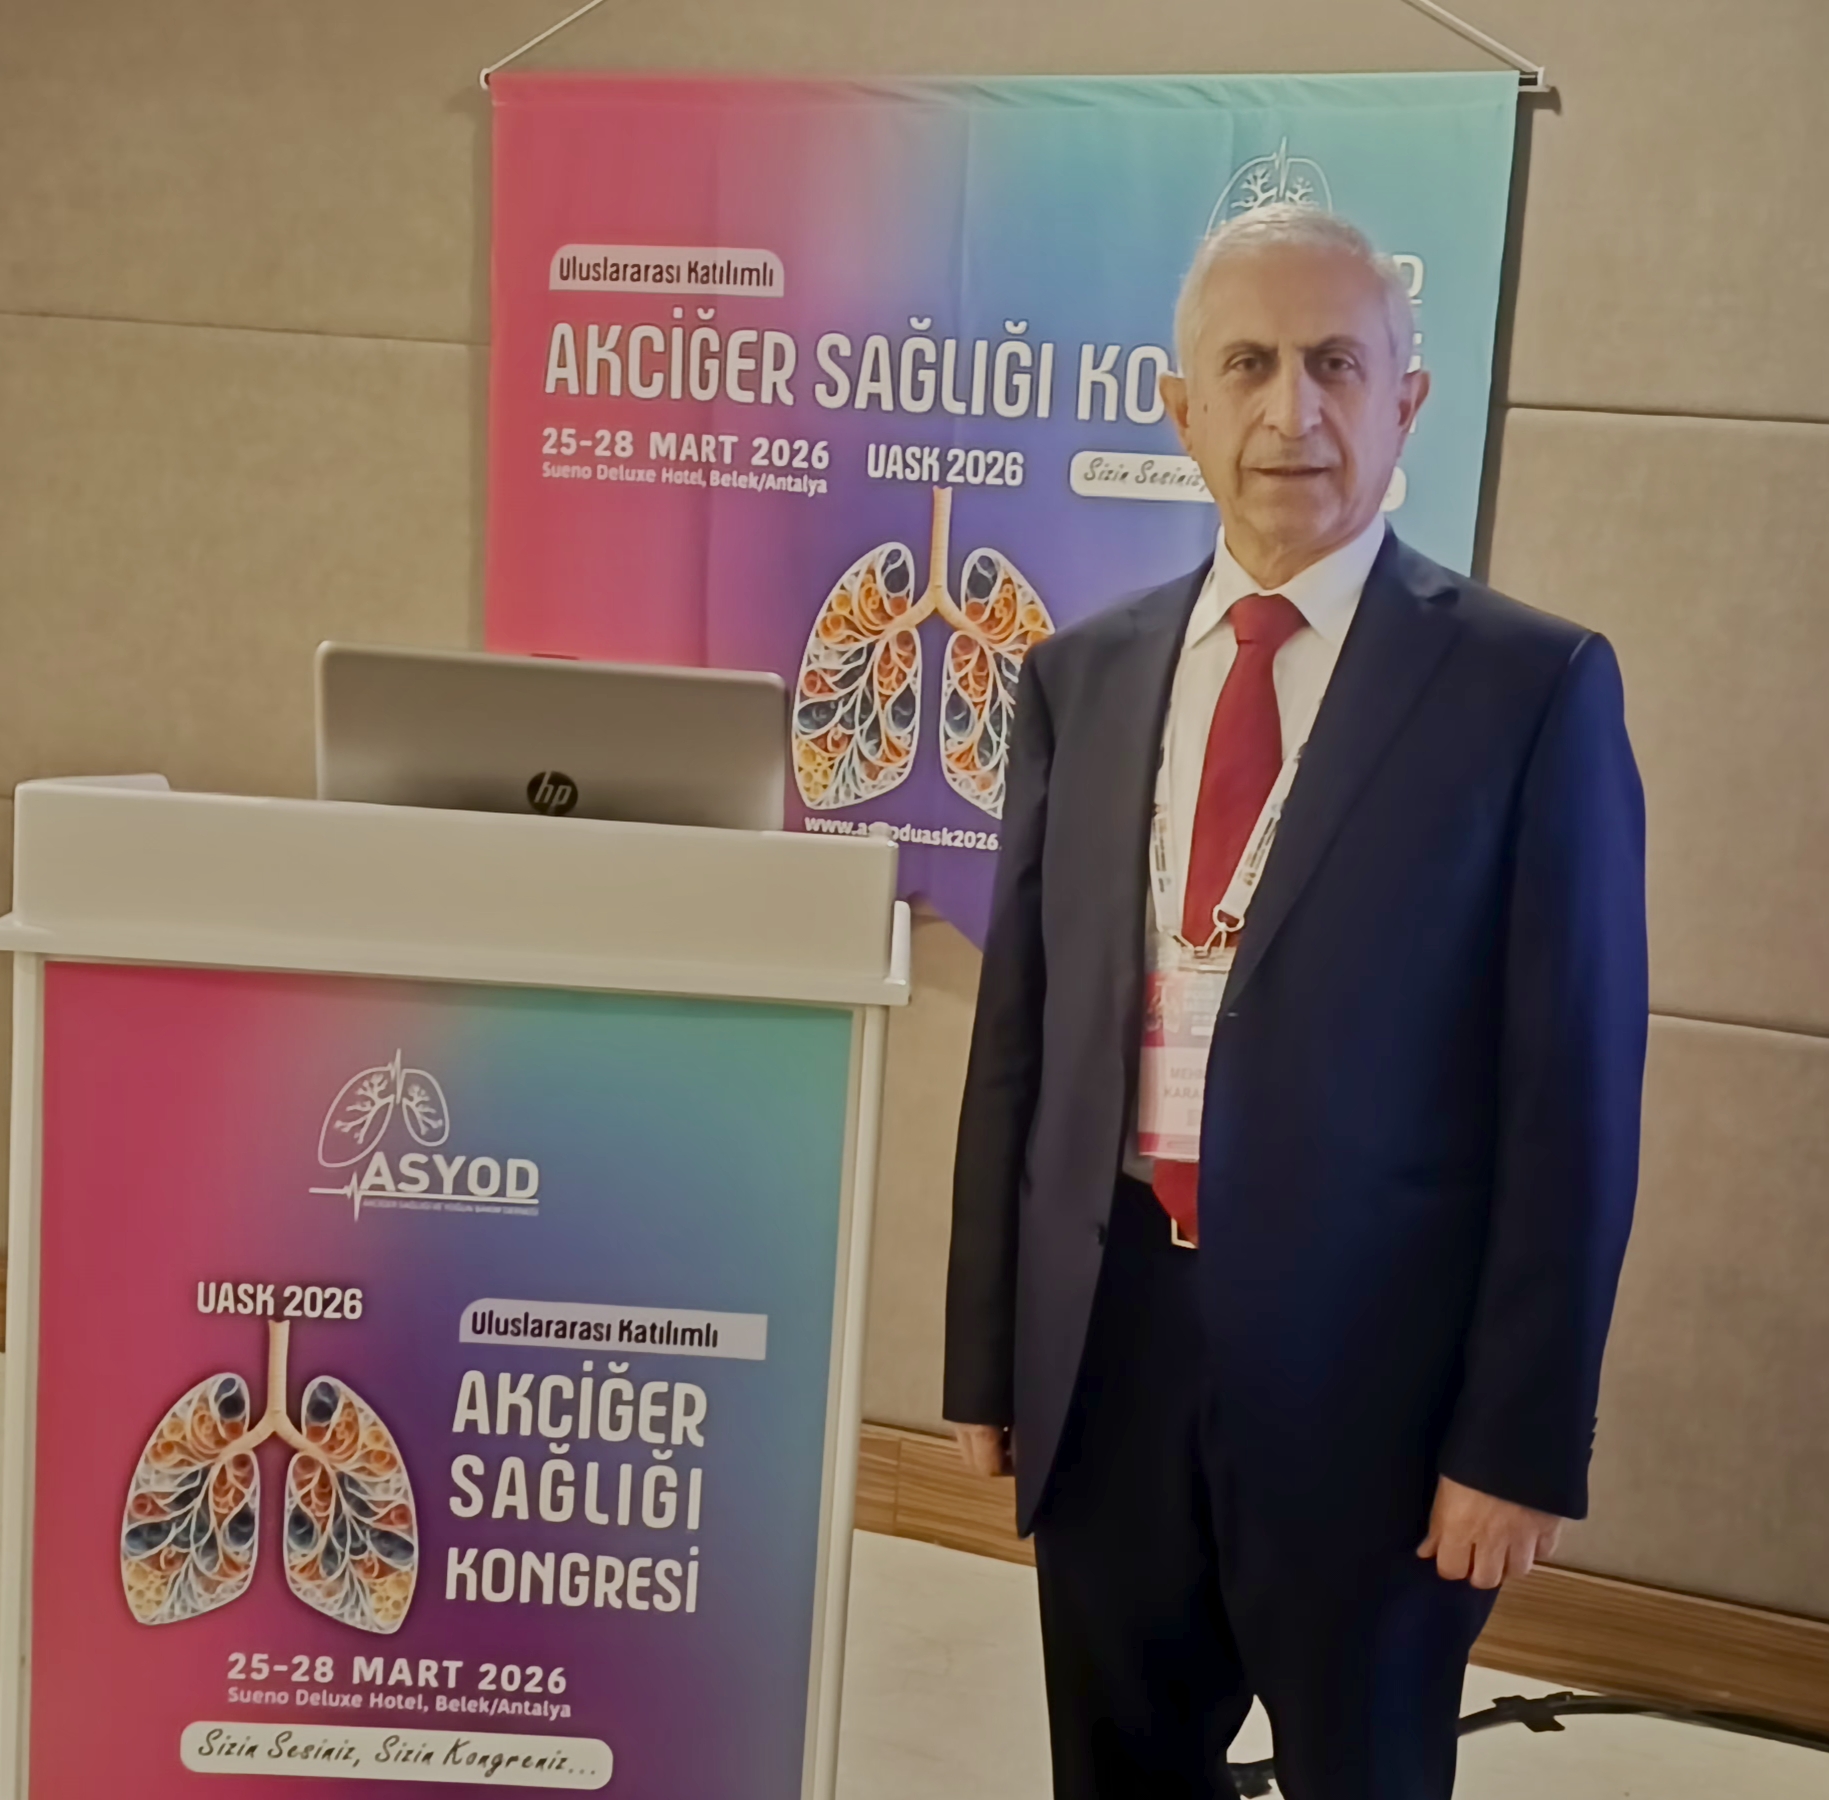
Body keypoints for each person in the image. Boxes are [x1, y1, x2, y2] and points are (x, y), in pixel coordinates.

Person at [943, 204, 1648, 1800]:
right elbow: (1020, 1047)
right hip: (1111, 1352)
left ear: (1406, 400)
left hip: (1379, 1390)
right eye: (1247, 365)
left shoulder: (1527, 690)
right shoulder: (1077, 677)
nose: (1291, 411)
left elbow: (1570, 1103)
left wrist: (1518, 1440)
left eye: (1335, 363)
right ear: (1176, 407)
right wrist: (990, 1354)